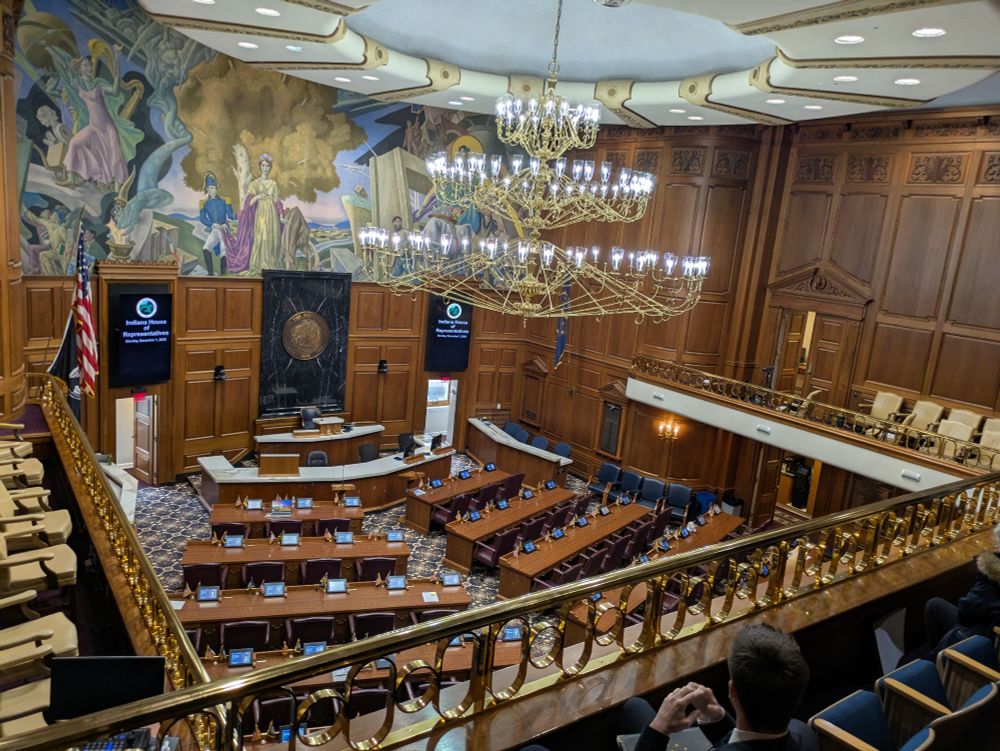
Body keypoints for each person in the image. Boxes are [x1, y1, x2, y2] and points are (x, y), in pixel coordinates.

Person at [521, 624, 817, 751]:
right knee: (635, 706)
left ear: (732, 691)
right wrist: (717, 719)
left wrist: (658, 729)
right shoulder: (804, 733)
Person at [923, 523, 1000, 654]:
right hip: (990, 628)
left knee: (933, 605)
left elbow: (966, 614)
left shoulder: (992, 574)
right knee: (934, 605)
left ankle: (939, 661)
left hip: (985, 638)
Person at [198, 172, 236, 275]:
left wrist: (239, 217)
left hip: (224, 229)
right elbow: (202, 218)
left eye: (214, 188)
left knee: (224, 252)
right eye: (210, 188)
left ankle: (223, 274)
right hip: (214, 230)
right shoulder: (204, 203)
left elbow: (230, 215)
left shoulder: (225, 200)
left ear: (217, 188)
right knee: (206, 248)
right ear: (207, 189)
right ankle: (210, 274)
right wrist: (212, 224)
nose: (213, 190)